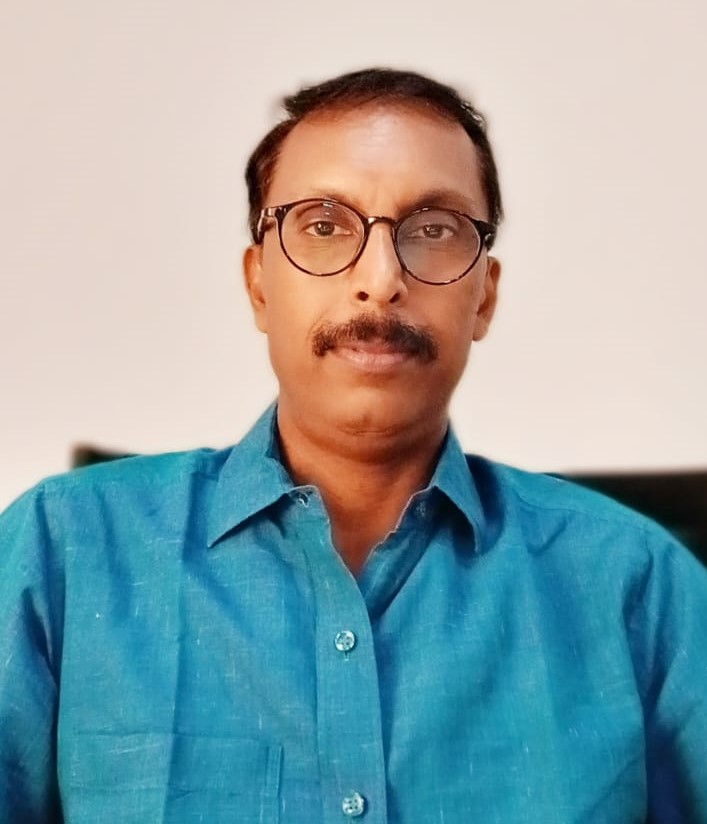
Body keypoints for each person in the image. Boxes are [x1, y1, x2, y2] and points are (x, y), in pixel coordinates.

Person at [1, 67, 706, 824]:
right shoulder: (64, 549)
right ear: (259, 285)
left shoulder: (639, 585)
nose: (380, 279)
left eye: (433, 230)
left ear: (485, 296)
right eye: (324, 225)